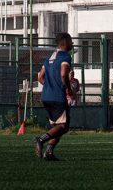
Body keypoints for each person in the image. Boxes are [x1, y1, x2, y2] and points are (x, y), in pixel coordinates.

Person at [35, 32, 74, 161]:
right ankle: (41, 140)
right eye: (70, 41)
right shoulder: (65, 56)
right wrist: (69, 89)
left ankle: (49, 152)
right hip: (58, 96)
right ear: (66, 42)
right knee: (63, 126)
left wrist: (49, 86)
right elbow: (63, 74)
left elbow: (40, 77)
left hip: (46, 96)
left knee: (57, 126)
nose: (72, 43)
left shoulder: (49, 58)